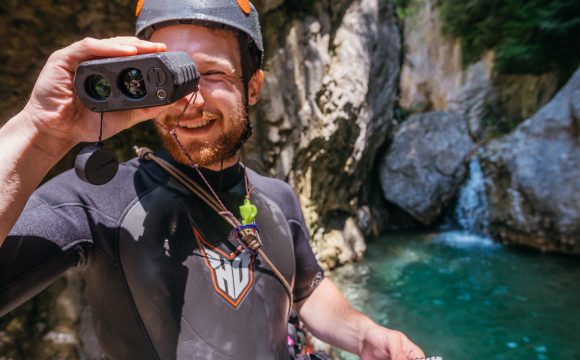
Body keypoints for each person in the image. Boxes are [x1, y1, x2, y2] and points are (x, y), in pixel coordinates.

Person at [0, 1, 425, 359]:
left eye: (213, 74)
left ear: (253, 86)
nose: (191, 100)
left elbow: (306, 289)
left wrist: (363, 333)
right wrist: (39, 131)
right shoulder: (96, 199)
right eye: (171, 78)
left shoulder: (277, 198)